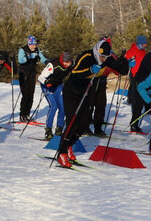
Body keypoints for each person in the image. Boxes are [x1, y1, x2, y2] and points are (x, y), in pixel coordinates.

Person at [54, 40, 127, 168]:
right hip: (71, 92)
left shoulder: (107, 59)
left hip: (85, 92)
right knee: (72, 122)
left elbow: (122, 70)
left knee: (84, 123)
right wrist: (90, 70)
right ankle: (62, 151)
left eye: (105, 57)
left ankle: (70, 144)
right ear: (96, 51)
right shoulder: (87, 56)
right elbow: (74, 73)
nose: (103, 59)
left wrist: (126, 61)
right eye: (101, 56)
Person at [15, 36, 47, 123]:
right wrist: (29, 57)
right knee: (25, 95)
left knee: (31, 94)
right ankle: (22, 114)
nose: (34, 46)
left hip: (32, 74)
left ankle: (27, 114)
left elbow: (42, 58)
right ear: (29, 43)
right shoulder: (23, 49)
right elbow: (20, 60)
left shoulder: (37, 50)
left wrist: (47, 62)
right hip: (24, 74)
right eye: (32, 44)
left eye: (35, 44)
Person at [39, 53, 71, 140]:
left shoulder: (71, 65)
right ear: (62, 61)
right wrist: (47, 82)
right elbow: (40, 77)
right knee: (53, 107)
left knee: (62, 107)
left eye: (69, 62)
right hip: (47, 86)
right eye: (66, 62)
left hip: (58, 85)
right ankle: (48, 131)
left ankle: (59, 129)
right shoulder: (53, 65)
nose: (68, 64)